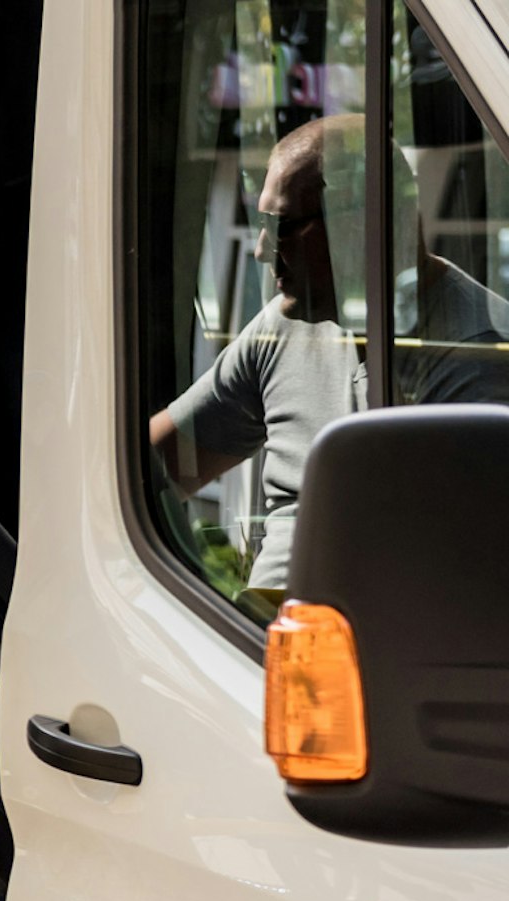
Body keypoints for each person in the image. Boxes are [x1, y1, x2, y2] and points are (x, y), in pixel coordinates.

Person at [150, 113, 509, 605]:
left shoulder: (475, 358)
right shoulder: (281, 327)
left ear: (358, 223)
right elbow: (153, 467)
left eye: (279, 227)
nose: (259, 251)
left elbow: (440, 592)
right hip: (249, 640)